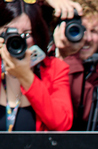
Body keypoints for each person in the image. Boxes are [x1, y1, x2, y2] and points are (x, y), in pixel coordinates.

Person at [0, 0, 73, 132]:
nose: (18, 40)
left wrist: (27, 77)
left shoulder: (55, 69)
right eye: (9, 32)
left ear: (37, 36)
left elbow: (62, 124)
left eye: (26, 34)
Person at [53, 0, 98, 130]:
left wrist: (70, 57)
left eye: (95, 31)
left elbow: (89, 114)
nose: (88, 38)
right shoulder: (47, 60)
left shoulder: (97, 72)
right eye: (81, 30)